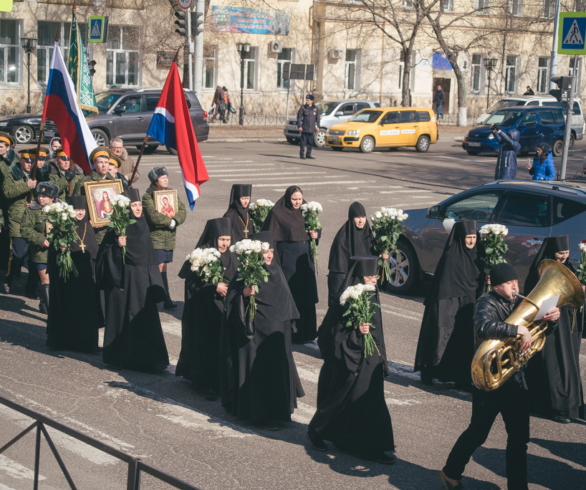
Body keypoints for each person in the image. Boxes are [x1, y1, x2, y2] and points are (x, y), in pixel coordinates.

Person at [440, 262, 560, 490]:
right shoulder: (487, 301)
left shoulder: (521, 303)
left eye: (516, 281)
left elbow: (539, 331)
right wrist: (517, 330)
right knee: (477, 433)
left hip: (515, 378)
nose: (515, 286)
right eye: (509, 283)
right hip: (490, 379)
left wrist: (552, 320)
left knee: (519, 438)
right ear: (496, 286)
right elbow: (483, 326)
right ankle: (450, 472)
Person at [307, 255, 395, 464]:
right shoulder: (348, 297)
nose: (373, 280)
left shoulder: (372, 295)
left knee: (370, 403)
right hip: (350, 358)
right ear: (357, 277)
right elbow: (334, 332)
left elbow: (378, 330)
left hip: (370, 359)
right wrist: (356, 330)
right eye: (369, 276)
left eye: (375, 276)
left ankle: (368, 446)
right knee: (340, 398)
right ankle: (316, 431)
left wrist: (382, 357)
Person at [220, 230, 305, 430]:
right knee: (259, 375)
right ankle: (260, 415)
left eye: (271, 252)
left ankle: (279, 412)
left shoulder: (277, 273)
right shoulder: (247, 273)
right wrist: (243, 292)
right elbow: (231, 302)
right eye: (265, 251)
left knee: (277, 372)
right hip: (255, 337)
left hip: (276, 337)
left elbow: (286, 304)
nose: (268, 255)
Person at [96, 188, 169, 373]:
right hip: (124, 280)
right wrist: (117, 247)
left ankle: (150, 359)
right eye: (133, 205)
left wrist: (154, 282)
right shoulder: (117, 228)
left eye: (139, 205)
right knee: (123, 318)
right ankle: (120, 357)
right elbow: (103, 255)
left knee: (145, 319)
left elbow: (149, 254)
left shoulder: (142, 224)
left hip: (142, 281)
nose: (137, 209)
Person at [414, 220, 485, 389]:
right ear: (460, 237)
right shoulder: (451, 256)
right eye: (468, 237)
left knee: (463, 339)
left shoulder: (477, 256)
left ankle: (461, 378)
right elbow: (443, 285)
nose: (471, 241)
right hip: (448, 302)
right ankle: (429, 371)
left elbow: (478, 280)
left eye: (474, 237)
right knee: (440, 336)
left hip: (467, 303)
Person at [524, 235, 585, 423]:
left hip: (568, 330)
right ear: (551, 252)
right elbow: (534, 301)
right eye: (560, 253)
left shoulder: (571, 268)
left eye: (566, 253)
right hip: (549, 330)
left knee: (568, 366)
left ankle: (571, 406)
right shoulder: (539, 271)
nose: (563, 257)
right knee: (553, 367)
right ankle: (554, 407)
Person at [176, 217, 237, 400]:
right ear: (213, 238)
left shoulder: (231, 256)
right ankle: (207, 383)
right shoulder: (200, 255)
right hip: (204, 311)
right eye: (221, 240)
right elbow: (191, 285)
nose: (225, 244)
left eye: (227, 239)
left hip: (224, 310)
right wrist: (212, 287)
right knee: (208, 347)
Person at [262, 186, 320, 343]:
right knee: (290, 296)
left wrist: (316, 234)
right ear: (288, 199)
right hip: (288, 262)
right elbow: (270, 237)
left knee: (306, 296)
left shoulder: (306, 210)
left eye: (300, 199)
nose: (297, 203)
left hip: (304, 262)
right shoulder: (277, 213)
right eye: (294, 199)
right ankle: (290, 332)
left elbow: (316, 228)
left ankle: (307, 332)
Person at [46, 195, 101, 353]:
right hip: (70, 278)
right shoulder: (63, 227)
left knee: (88, 311)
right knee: (71, 309)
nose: (80, 213)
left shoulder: (88, 227)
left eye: (82, 209)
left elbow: (94, 250)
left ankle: (88, 344)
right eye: (77, 209)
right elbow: (52, 254)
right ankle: (67, 341)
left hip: (87, 278)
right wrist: (61, 251)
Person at [2, 147, 49, 296]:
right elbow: (7, 192)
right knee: (19, 253)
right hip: (17, 219)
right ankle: (8, 278)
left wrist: (35, 202)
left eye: (32, 161)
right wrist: (25, 186)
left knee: (34, 256)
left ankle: (31, 288)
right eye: (27, 160)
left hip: (34, 219)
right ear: (20, 160)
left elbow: (44, 196)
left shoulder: (39, 176)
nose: (30, 164)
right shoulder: (12, 175)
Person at [142, 166, 186, 309]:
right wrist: (169, 221)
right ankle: (161, 297)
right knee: (157, 266)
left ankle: (162, 297)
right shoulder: (148, 196)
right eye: (162, 177)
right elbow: (152, 215)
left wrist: (176, 220)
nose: (166, 179)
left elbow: (182, 209)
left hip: (169, 238)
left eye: (166, 177)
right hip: (156, 237)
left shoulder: (171, 193)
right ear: (155, 180)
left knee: (163, 266)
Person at [327, 202, 379, 307]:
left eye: (363, 217)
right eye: (357, 217)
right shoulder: (342, 238)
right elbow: (338, 270)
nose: (361, 221)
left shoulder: (368, 235)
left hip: (366, 284)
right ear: (351, 218)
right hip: (349, 287)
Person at [20, 182, 61, 314]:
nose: (40, 198)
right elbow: (25, 229)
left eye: (44, 196)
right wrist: (41, 240)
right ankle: (51, 313)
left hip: (59, 251)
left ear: (53, 198)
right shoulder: (31, 210)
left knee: (57, 280)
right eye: (39, 195)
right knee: (46, 280)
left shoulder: (62, 210)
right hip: (40, 252)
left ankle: (44, 303)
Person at [73, 146, 116, 245]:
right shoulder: (84, 182)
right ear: (94, 164)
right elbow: (76, 206)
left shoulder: (115, 183)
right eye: (100, 162)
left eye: (106, 162)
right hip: (92, 231)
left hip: (112, 230)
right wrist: (89, 220)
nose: (104, 165)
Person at [297, 95, 320, 160]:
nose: (307, 101)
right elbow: (299, 117)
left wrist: (318, 126)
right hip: (304, 127)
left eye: (308, 100)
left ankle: (308, 154)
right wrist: (299, 126)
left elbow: (318, 118)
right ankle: (302, 154)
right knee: (303, 142)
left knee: (310, 142)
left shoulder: (315, 108)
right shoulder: (303, 107)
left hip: (312, 128)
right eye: (306, 100)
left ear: (312, 101)